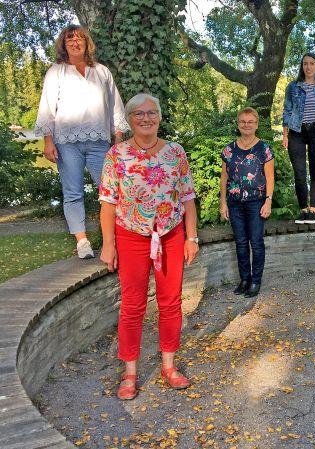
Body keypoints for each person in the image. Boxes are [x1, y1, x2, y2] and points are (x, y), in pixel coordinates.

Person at [99, 93, 199, 400]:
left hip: (170, 235)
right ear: (129, 119)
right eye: (139, 113)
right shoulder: (116, 155)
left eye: (151, 112)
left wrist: (191, 237)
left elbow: (187, 198)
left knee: (171, 302)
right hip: (131, 236)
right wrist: (108, 245)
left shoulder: (175, 152)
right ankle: (130, 372)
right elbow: (107, 202)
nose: (146, 118)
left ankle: (169, 366)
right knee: (132, 305)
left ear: (159, 116)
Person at [35, 24, 129, 258]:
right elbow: (47, 107)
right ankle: (82, 241)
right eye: (70, 40)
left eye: (79, 39)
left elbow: (115, 106)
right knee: (73, 192)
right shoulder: (56, 72)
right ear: (64, 45)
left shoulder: (102, 72)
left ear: (87, 43)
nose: (75, 43)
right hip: (66, 142)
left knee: (110, 190)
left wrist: (118, 139)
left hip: (99, 142)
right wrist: (48, 141)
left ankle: (115, 238)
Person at [220, 107, 275, 298]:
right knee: (241, 242)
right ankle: (244, 279)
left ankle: (256, 281)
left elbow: (270, 178)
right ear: (238, 124)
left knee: (256, 242)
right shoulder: (229, 149)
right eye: (243, 121)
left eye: (250, 122)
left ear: (256, 124)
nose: (246, 125)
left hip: (256, 202)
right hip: (234, 202)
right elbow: (224, 178)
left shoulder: (264, 149)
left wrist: (268, 201)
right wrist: (223, 202)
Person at [282, 53, 315, 224]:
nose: (308, 67)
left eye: (311, 63)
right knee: (299, 173)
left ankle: (312, 211)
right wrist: (285, 135)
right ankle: (303, 210)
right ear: (302, 67)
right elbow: (287, 111)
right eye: (305, 64)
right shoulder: (293, 87)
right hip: (297, 132)